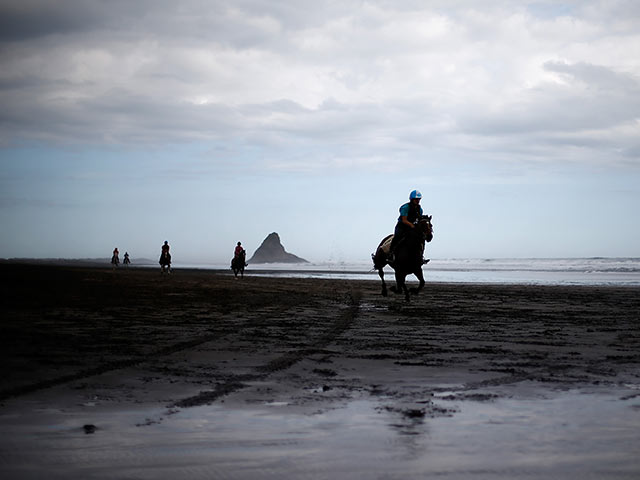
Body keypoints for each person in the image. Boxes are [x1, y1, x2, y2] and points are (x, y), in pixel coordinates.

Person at [388, 190, 424, 263]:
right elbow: (404, 220)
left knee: (420, 239)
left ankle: (420, 257)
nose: (418, 201)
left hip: (412, 228)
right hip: (402, 227)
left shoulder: (419, 209)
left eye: (419, 199)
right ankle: (390, 255)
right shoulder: (405, 207)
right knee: (397, 238)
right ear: (411, 199)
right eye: (416, 199)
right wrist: (412, 225)